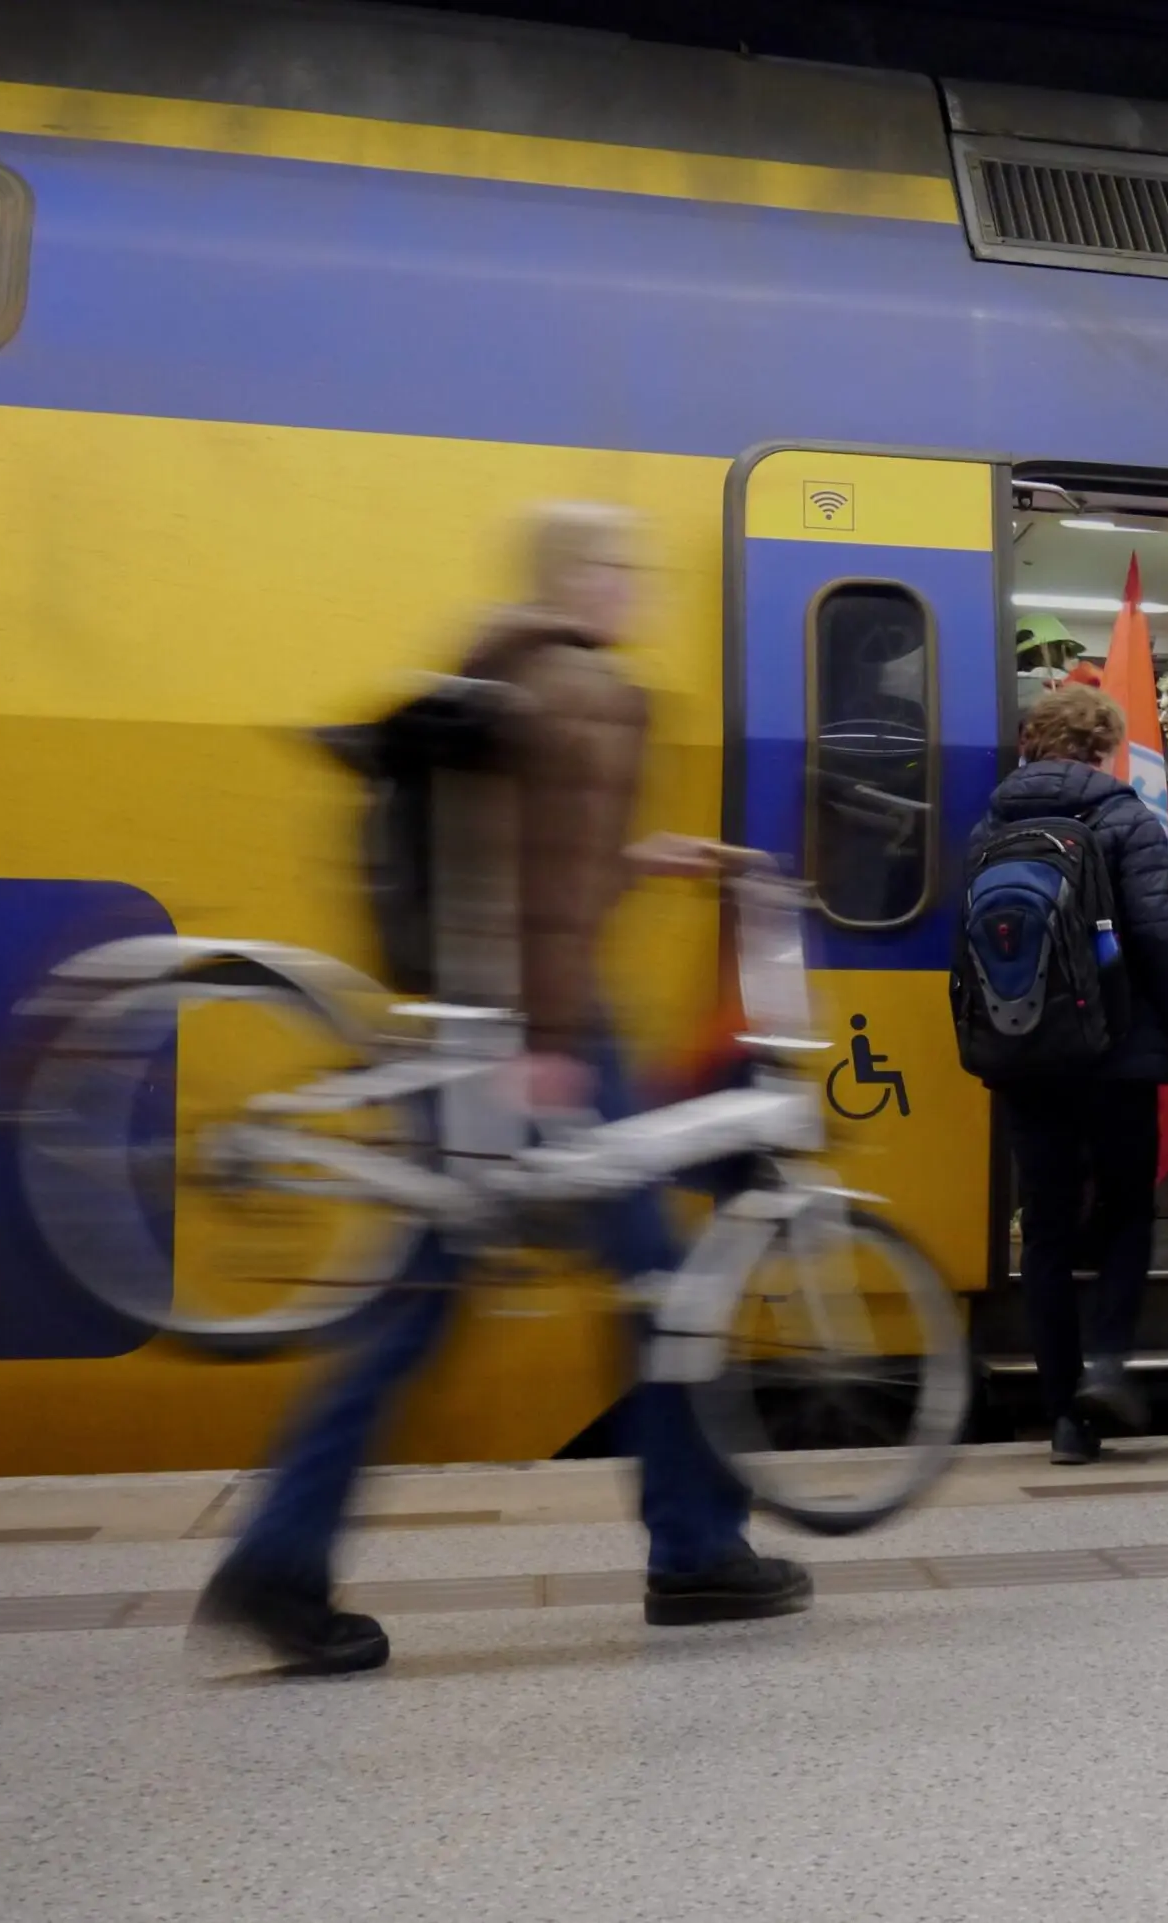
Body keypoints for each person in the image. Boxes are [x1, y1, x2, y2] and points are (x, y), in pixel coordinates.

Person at [192, 502, 811, 1676]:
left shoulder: (494, 670)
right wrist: (551, 1042)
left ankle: (277, 1563)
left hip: (458, 1023)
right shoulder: (590, 689)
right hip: (548, 1030)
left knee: (421, 1299)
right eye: (621, 567)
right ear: (583, 578)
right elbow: (534, 899)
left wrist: (649, 858)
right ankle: (695, 1553)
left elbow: (526, 855)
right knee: (667, 1293)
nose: (635, 588)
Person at [973, 683, 1168, 1466]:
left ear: (1034, 743)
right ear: (1104, 749)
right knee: (1131, 1211)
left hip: (1025, 1050)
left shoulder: (992, 822)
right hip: (1117, 1049)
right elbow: (1158, 935)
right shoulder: (1126, 818)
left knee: (1049, 1230)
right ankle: (1105, 1363)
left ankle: (1066, 1418)